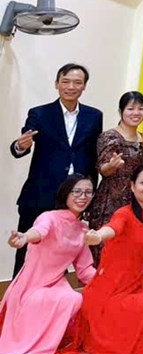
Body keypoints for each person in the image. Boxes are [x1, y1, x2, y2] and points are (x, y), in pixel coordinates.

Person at [45, 164, 143, 354]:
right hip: (110, 289)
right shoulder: (124, 214)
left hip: (135, 287)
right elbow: (112, 228)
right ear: (132, 186)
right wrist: (98, 236)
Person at [10, 63, 103, 275]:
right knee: (27, 251)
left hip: (74, 198)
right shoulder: (40, 113)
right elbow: (20, 145)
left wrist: (90, 195)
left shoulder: (94, 116)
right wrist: (20, 145)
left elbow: (92, 156)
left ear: (84, 86)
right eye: (65, 81)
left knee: (61, 252)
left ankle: (52, 291)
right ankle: (19, 294)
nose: (71, 87)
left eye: (77, 82)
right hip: (40, 194)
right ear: (56, 84)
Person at [0, 175, 96, 354]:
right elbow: (40, 232)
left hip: (57, 283)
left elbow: (85, 270)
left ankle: (52, 343)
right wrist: (25, 237)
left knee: (75, 298)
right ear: (65, 194)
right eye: (77, 191)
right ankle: (37, 344)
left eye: (88, 192)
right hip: (32, 285)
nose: (82, 197)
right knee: (69, 298)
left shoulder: (82, 229)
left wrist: (110, 280)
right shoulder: (49, 217)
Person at [87, 92, 143, 266]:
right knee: (105, 250)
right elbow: (103, 169)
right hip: (111, 201)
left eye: (140, 109)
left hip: (136, 201)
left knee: (130, 251)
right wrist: (112, 166)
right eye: (130, 109)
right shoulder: (109, 137)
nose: (136, 113)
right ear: (121, 111)